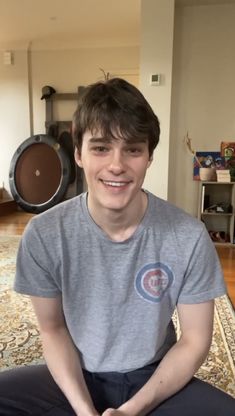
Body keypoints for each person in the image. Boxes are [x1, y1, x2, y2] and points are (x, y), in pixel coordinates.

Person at [0, 78, 234, 416]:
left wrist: (132, 410)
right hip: (75, 377)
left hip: (155, 379)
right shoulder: (44, 234)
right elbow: (52, 330)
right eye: (100, 147)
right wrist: (84, 410)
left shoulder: (188, 236)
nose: (116, 165)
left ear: (149, 156)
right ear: (78, 154)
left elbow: (195, 341)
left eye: (133, 149)